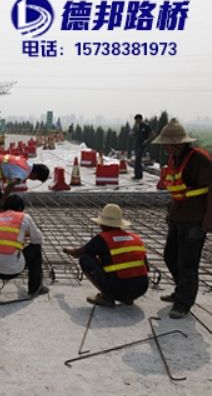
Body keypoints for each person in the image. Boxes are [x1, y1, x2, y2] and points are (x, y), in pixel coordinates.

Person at [152, 118, 212, 319]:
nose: (164, 148)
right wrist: (171, 212)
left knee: (188, 262)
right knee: (170, 256)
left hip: (195, 219)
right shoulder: (174, 158)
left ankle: (184, 302)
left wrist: (209, 218)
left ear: (178, 143)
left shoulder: (199, 159)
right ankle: (181, 291)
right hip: (178, 215)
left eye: (167, 144)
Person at [63, 204, 149, 307]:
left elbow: (78, 253)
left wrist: (67, 250)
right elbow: (146, 267)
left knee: (85, 258)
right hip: (141, 288)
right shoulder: (135, 238)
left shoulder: (103, 238)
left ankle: (107, 297)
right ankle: (128, 299)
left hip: (119, 290)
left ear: (104, 224)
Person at [0, 194, 48, 295]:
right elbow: (37, 239)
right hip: (10, 270)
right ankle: (35, 288)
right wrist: (24, 236)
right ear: (20, 208)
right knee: (36, 248)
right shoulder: (24, 217)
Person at [0, 153, 49, 217]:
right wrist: (3, 200)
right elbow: (11, 184)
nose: (33, 179)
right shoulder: (23, 172)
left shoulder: (27, 163)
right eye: (35, 178)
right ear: (35, 174)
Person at [131, 114, 154, 180]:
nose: (136, 122)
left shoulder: (145, 126)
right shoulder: (138, 126)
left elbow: (152, 134)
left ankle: (138, 175)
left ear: (140, 119)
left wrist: (147, 140)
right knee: (137, 160)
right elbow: (136, 134)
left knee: (138, 160)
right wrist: (133, 134)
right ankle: (137, 174)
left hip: (142, 145)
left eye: (137, 120)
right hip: (137, 145)